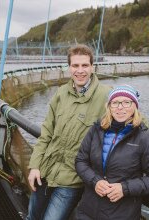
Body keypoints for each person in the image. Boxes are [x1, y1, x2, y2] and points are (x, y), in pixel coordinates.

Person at [26, 44, 111, 220]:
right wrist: (35, 166)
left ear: (92, 67)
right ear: (69, 67)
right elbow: (46, 133)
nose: (80, 71)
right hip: (45, 172)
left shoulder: (107, 96)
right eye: (75, 66)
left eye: (85, 65)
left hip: (72, 180)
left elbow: (135, 122)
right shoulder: (61, 93)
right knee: (32, 217)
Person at [75, 85, 149, 220]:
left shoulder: (146, 139)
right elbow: (80, 161)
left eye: (126, 102)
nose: (120, 107)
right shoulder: (96, 130)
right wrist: (95, 181)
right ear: (109, 106)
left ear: (134, 106)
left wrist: (124, 188)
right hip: (88, 210)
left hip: (121, 214)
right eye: (115, 102)